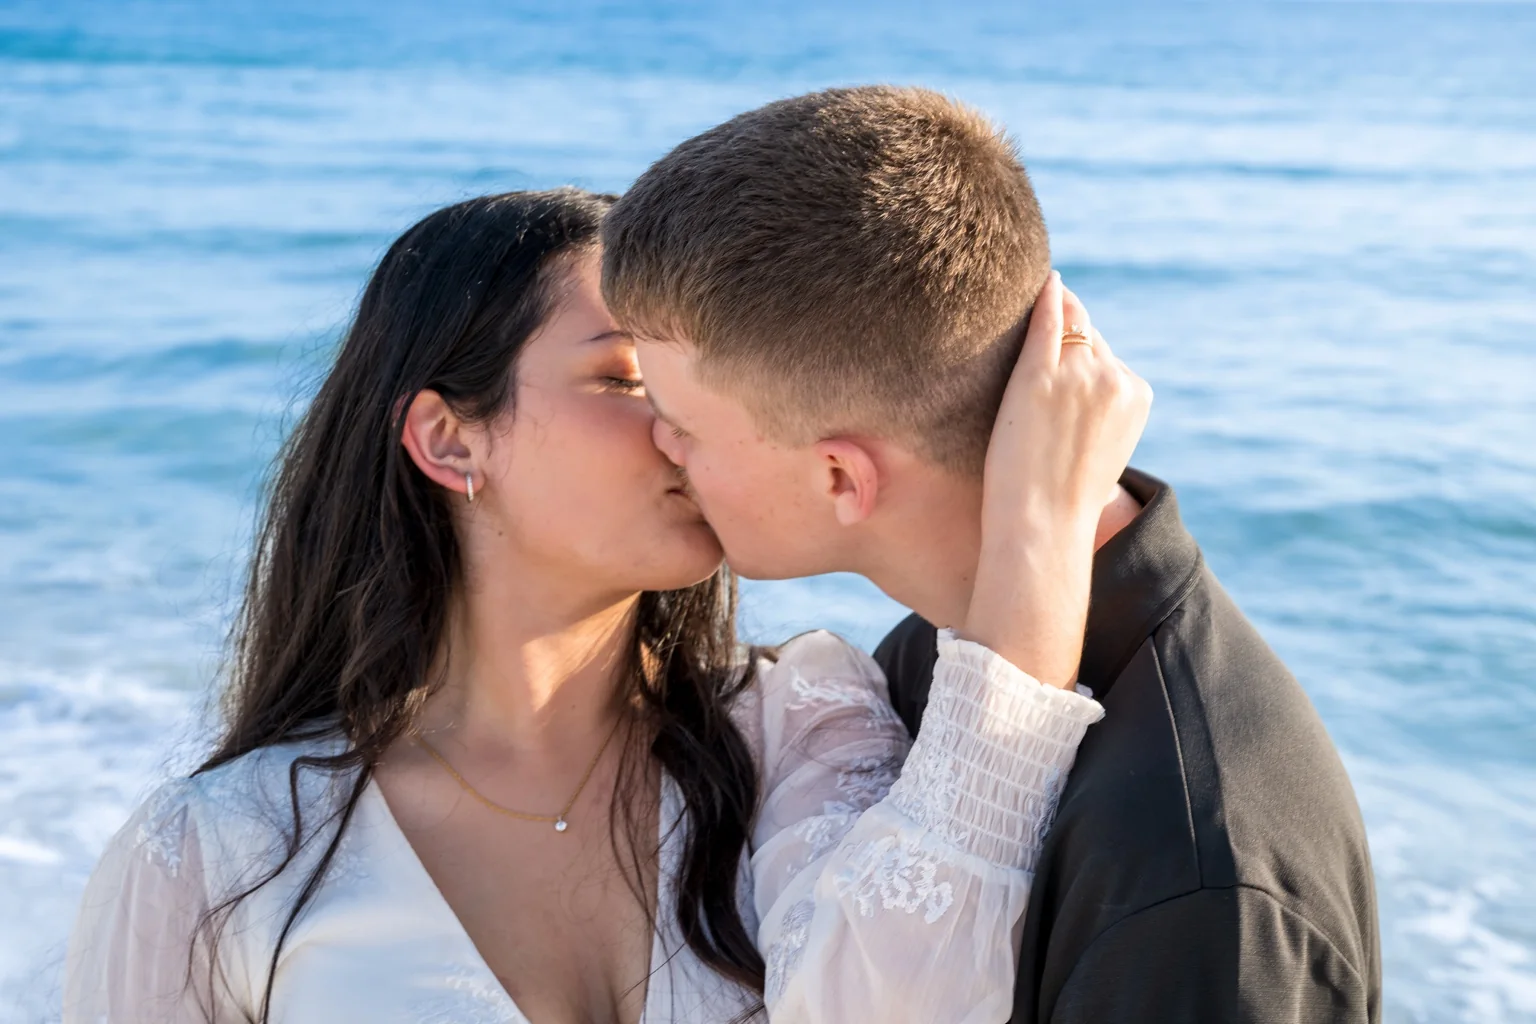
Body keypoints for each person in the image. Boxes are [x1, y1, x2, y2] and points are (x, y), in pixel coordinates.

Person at [64, 186, 1146, 1022]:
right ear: (449, 438)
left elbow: (905, 1006)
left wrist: (1035, 536)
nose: (687, 428)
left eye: (699, 386)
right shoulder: (219, 856)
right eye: (630, 380)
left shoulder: (794, 723)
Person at [601, 85, 1381, 1021]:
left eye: (683, 425)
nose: (659, 445)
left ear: (843, 479)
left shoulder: (1195, 865)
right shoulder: (938, 651)